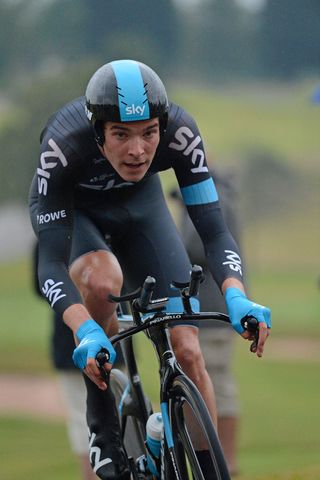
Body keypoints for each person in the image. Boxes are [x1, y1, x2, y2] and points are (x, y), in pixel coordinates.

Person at [29, 59, 271, 479]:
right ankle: (101, 419)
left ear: (162, 123)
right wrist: (83, 329)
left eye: (148, 133)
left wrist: (236, 295)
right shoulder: (62, 146)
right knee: (104, 280)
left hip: (142, 211)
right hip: (80, 216)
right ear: (97, 132)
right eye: (120, 135)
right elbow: (49, 264)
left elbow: (214, 231)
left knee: (189, 349)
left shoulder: (181, 133)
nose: (138, 150)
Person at [171, 165, 243, 475]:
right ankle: (224, 460)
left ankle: (223, 460)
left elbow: (193, 248)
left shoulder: (210, 203)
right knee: (218, 384)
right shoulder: (224, 198)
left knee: (214, 385)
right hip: (219, 309)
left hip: (210, 310)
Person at [32, 244, 98, 480]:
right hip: (79, 339)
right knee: (85, 418)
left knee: (84, 419)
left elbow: (40, 284)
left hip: (98, 335)